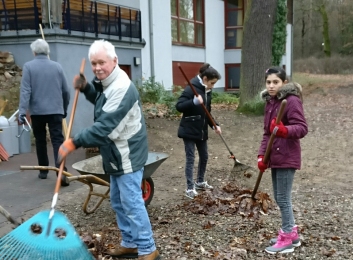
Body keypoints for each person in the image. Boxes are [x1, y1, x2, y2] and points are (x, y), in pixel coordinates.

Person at [57, 40, 160, 260]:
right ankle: (130, 243)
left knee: (132, 202)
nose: (96, 67)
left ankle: (148, 248)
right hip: (114, 152)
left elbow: (104, 128)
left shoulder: (122, 87)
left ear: (114, 61)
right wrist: (87, 89)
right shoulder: (107, 82)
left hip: (127, 153)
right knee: (117, 200)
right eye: (93, 63)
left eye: (101, 62)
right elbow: (102, 101)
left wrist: (74, 142)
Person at [258, 66, 308, 254]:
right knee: (280, 197)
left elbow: (302, 128)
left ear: (284, 83)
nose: (271, 86)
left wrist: (285, 130)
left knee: (282, 198)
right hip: (275, 156)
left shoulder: (291, 101)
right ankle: (291, 233)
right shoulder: (270, 102)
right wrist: (262, 156)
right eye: (268, 82)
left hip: (287, 156)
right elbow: (266, 133)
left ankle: (288, 236)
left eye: (275, 82)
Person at [18, 39, 70, 182]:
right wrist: (64, 108)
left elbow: (25, 91)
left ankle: (43, 170)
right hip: (56, 111)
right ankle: (61, 171)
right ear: (48, 52)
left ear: (33, 52)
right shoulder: (57, 67)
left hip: (37, 111)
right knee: (57, 141)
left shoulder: (28, 67)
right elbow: (66, 91)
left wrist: (22, 111)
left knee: (40, 140)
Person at [175, 63, 222, 199]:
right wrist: (193, 102)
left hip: (201, 130)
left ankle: (200, 181)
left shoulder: (208, 91)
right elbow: (179, 106)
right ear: (205, 79)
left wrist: (214, 125)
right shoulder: (191, 88)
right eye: (212, 83)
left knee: (204, 156)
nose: (213, 86)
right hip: (189, 129)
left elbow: (207, 112)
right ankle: (190, 188)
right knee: (191, 158)